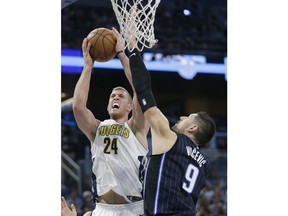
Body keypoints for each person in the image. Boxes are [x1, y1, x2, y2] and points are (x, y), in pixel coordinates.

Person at [125, 11, 216, 215]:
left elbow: (143, 90)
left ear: (192, 128)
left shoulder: (170, 139)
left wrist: (131, 47)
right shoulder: (204, 164)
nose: (182, 118)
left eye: (187, 118)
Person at [71, 27, 150, 215]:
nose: (115, 97)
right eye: (113, 96)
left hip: (134, 208)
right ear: (108, 107)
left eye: (121, 95)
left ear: (130, 107)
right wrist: (88, 66)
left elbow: (140, 90)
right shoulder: (97, 128)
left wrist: (122, 55)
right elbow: (78, 108)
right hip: (102, 209)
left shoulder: (137, 127)